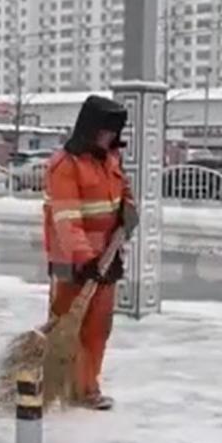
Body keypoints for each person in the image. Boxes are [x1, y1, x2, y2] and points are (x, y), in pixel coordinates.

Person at [42, 95, 139, 411]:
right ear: (89, 128)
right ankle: (57, 383)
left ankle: (87, 387)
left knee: (99, 325)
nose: (109, 137)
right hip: (73, 261)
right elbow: (66, 219)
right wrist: (86, 259)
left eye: (113, 132)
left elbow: (124, 193)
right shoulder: (65, 165)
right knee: (67, 325)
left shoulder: (110, 160)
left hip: (108, 256)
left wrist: (129, 212)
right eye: (104, 131)